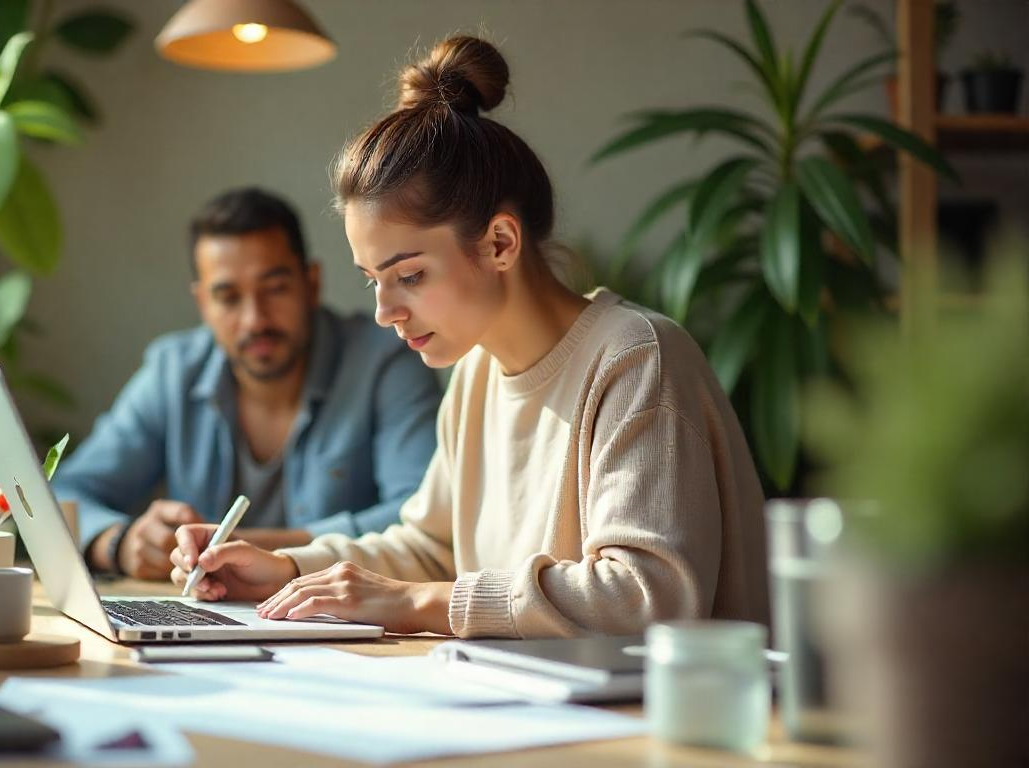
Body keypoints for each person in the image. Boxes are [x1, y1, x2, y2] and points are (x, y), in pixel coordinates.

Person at [169, 37, 770, 638]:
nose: (384, 311)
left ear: (500, 243)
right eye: (373, 280)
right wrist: (286, 570)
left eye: (408, 276)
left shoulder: (637, 360)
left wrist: (416, 604)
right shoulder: (477, 373)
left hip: (664, 724)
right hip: (535, 711)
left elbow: (645, 594)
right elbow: (431, 550)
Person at [53, 187, 442, 580]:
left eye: (274, 289)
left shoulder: (386, 361)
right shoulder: (173, 371)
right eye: (228, 297)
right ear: (203, 303)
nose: (255, 319)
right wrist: (119, 544)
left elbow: (428, 517)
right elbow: (63, 492)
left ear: (311, 284)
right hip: (208, 622)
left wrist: (254, 550)